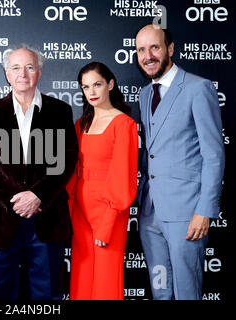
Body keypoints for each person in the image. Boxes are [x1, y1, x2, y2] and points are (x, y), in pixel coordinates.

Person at [0, 44, 78, 300]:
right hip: (3, 219)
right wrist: (16, 200)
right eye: (16, 68)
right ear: (7, 74)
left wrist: (37, 195)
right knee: (2, 293)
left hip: (47, 217)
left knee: (48, 293)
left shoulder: (60, 111)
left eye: (30, 67)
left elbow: (67, 159)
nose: (23, 74)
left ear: (39, 73)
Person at [135, 24, 225, 300]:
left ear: (170, 49)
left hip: (186, 213)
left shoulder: (198, 88)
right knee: (160, 289)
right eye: (141, 50)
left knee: (187, 291)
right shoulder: (144, 94)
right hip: (150, 212)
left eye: (155, 47)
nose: (147, 55)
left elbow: (213, 154)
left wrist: (205, 210)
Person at [66, 62, 138, 300]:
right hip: (80, 210)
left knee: (107, 279)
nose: (92, 92)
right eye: (86, 87)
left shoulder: (124, 124)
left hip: (109, 211)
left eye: (97, 84)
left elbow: (122, 176)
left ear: (110, 84)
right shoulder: (81, 124)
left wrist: (108, 221)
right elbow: (72, 172)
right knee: (81, 276)